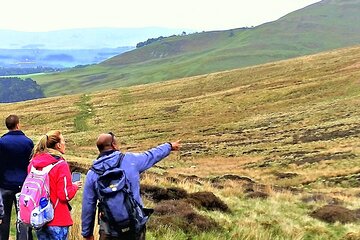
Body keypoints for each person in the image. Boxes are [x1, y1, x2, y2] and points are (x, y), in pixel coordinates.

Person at [81, 132, 181, 240]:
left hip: (109, 230)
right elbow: (152, 155)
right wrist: (169, 146)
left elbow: (88, 205)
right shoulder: (130, 160)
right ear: (114, 145)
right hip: (135, 226)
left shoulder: (92, 174)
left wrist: (87, 233)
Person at [28, 130, 82, 240]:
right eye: (63, 141)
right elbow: (64, 195)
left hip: (40, 217)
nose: (65, 144)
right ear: (58, 145)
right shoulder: (61, 165)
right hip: (57, 217)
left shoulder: (33, 164)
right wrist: (75, 186)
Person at [0, 115, 34, 240]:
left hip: (4, 185)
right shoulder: (28, 142)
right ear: (18, 124)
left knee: (4, 218)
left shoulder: (1, 142)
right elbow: (31, 163)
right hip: (23, 186)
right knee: (23, 218)